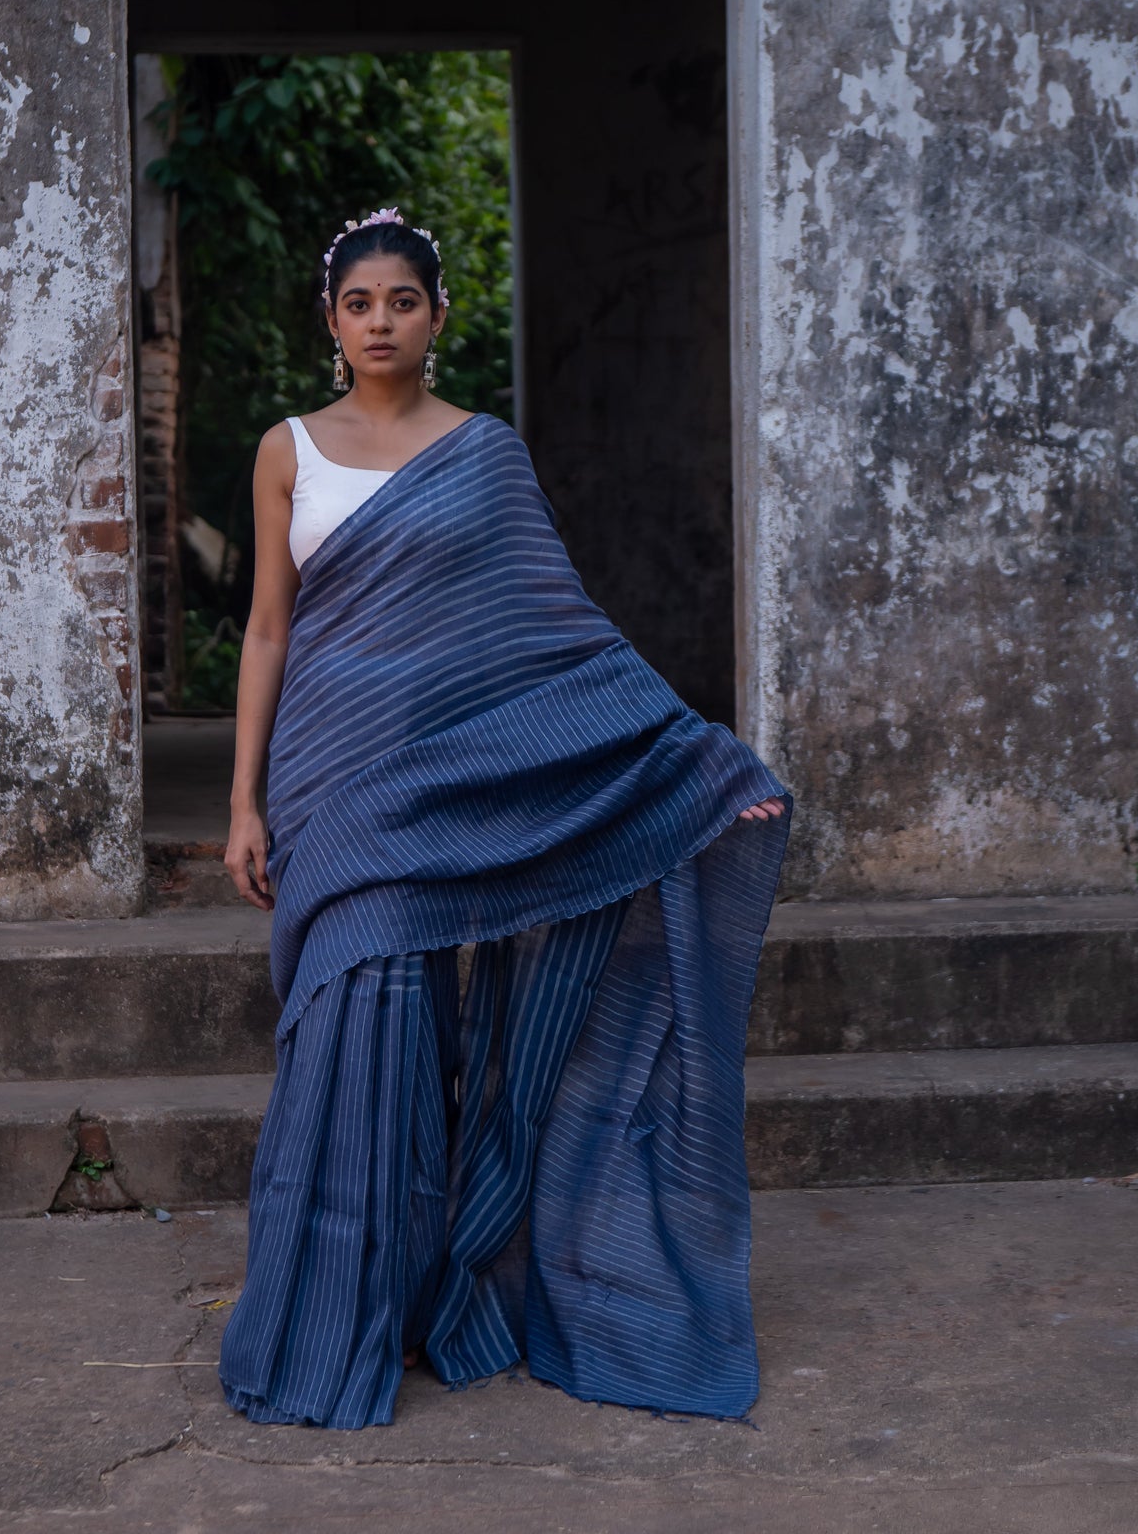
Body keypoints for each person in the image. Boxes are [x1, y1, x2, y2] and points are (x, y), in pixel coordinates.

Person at [219, 209, 790, 1429]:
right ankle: (319, 1324)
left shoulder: (483, 453)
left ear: (436, 315)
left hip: (445, 790)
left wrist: (686, 763)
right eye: (358, 303)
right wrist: (242, 800)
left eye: (402, 300)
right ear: (331, 322)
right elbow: (269, 629)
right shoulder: (287, 452)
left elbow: (548, 632)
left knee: (411, 1037)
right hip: (331, 787)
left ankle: (413, 1300)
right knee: (344, 1031)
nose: (380, 320)